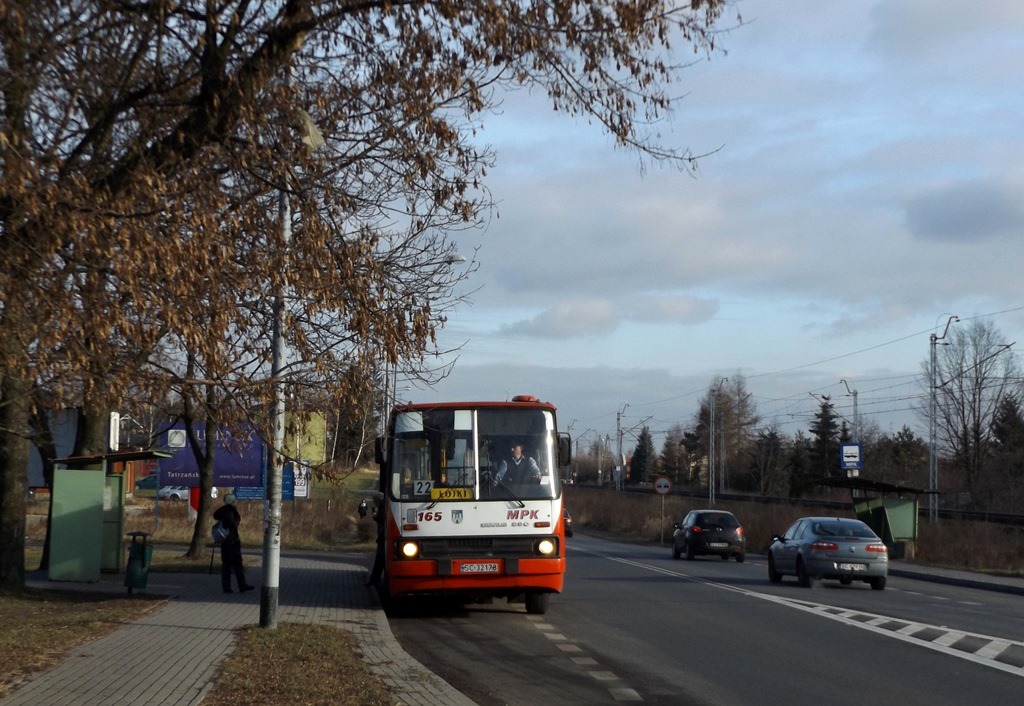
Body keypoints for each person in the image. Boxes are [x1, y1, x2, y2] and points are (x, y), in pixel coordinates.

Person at [213, 494, 254, 594]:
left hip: (226, 541)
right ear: (232, 501)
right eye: (234, 500)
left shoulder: (222, 510)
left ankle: (231, 586)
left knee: (227, 564)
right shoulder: (229, 511)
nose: (236, 502)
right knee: (235, 564)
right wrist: (237, 517)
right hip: (231, 541)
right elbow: (234, 524)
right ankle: (240, 585)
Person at [366, 492, 386, 587]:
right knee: (380, 560)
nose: (375, 503)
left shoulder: (383, 507)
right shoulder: (384, 506)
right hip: (383, 535)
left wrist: (375, 515)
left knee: (379, 559)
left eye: (375, 501)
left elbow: (380, 518)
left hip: (382, 536)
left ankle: (374, 581)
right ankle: (375, 580)